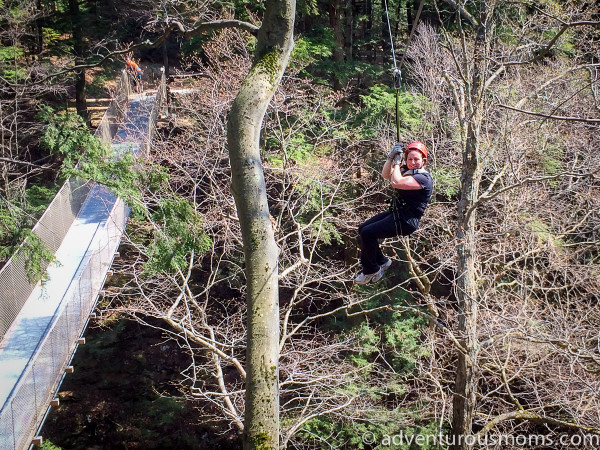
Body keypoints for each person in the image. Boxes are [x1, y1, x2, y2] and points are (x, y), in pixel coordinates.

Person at [355, 141, 433, 284]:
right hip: (397, 214)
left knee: (368, 233)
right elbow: (386, 175)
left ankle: (370, 270)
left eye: (416, 159)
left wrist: (397, 164)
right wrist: (391, 158)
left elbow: (396, 182)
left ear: (423, 161)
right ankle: (382, 261)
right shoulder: (406, 170)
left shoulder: (424, 179)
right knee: (362, 229)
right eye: (410, 159)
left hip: (407, 221)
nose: (413, 162)